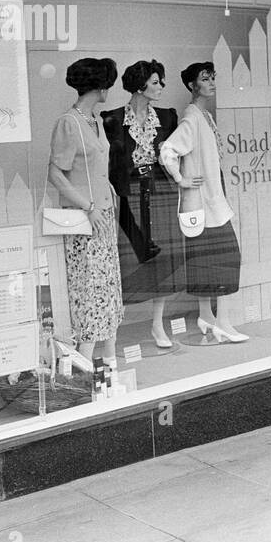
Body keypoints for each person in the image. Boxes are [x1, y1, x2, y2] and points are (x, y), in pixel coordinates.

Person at [159, 62, 248, 343]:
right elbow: (168, 150)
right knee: (225, 257)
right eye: (205, 79)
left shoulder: (202, 115)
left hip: (211, 197)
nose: (211, 83)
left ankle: (207, 317)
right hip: (205, 201)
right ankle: (222, 321)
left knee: (207, 259)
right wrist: (180, 179)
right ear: (191, 85)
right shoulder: (192, 117)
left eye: (213, 77)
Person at [47, 58, 125, 372]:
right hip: (86, 219)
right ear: (100, 85)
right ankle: (84, 360)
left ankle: (109, 359)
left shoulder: (93, 119)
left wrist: (108, 199)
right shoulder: (69, 123)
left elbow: (97, 166)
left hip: (104, 215)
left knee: (108, 287)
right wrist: (87, 206)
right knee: (90, 290)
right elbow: (55, 173)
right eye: (108, 83)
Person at [103, 60, 183, 350]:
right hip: (128, 193)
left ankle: (157, 323)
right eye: (155, 82)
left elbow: (176, 153)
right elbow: (108, 163)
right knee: (127, 257)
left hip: (159, 190)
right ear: (140, 85)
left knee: (161, 257)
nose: (160, 87)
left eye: (161, 81)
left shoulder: (167, 117)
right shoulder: (111, 119)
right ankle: (115, 328)